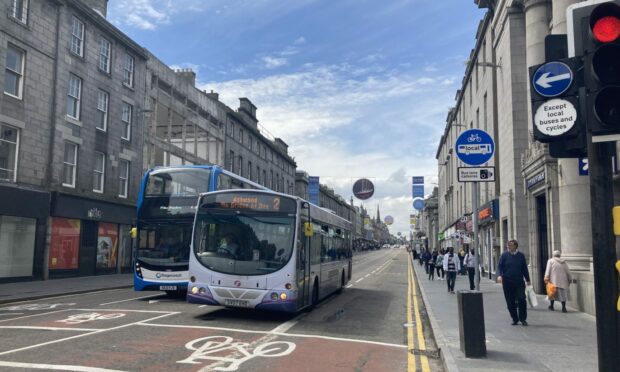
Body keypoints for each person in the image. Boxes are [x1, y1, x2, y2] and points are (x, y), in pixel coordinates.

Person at [496, 239, 531, 326]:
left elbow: (524, 269)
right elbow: (499, 267)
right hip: (507, 282)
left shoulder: (521, 256)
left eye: (510, 245)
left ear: (515, 246)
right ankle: (515, 318)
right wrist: (499, 275)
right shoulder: (504, 255)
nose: (508, 246)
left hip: (519, 281)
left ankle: (523, 319)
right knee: (510, 302)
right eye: (508, 245)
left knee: (522, 299)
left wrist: (528, 280)